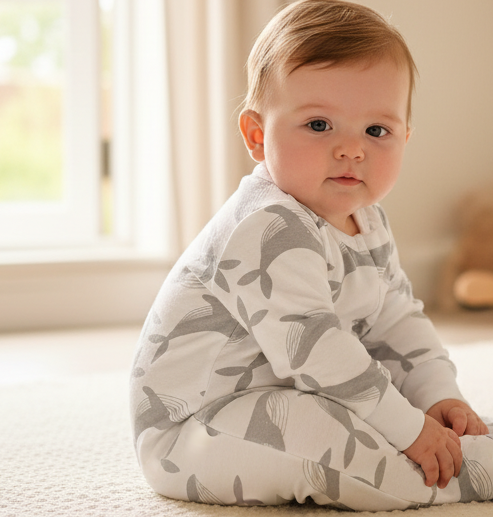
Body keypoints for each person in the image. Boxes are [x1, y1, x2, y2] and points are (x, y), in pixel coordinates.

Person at [130, 0, 493, 511]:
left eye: (377, 130)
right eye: (319, 125)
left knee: (388, 408)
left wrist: (438, 397)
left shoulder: (368, 219)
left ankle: (454, 443)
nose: (351, 149)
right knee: (345, 449)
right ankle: (459, 474)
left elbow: (397, 319)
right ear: (258, 136)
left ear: (405, 138)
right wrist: (409, 428)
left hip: (289, 392)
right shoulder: (266, 226)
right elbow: (317, 352)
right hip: (198, 429)